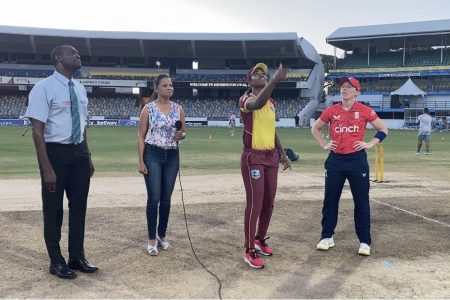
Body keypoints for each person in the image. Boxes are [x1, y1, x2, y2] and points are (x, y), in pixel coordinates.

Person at [25, 45, 98, 279]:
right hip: (55, 154)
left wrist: (87, 156)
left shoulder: (79, 88)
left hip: (79, 154)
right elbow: (37, 131)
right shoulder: (43, 88)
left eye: (78, 53)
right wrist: (47, 168)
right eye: (72, 53)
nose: (78, 56)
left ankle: (76, 257)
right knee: (53, 210)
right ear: (58, 58)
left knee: (79, 208)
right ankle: (56, 261)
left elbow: (83, 124)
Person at [311, 77, 388, 256]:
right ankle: (327, 236)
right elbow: (315, 128)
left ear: (357, 92)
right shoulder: (331, 111)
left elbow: (383, 129)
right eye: (342, 87)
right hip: (335, 161)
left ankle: (364, 241)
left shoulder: (365, 111)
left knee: (361, 202)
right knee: (330, 200)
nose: (344, 89)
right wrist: (324, 144)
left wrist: (370, 143)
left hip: (357, 161)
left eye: (349, 87)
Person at [240, 63, 291, 269]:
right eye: (256, 74)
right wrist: (275, 80)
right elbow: (257, 104)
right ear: (249, 80)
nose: (260, 76)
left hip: (270, 157)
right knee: (255, 203)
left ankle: (260, 240)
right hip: (253, 157)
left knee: (269, 202)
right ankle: (249, 249)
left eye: (264, 74)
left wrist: (283, 153)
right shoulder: (246, 99)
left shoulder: (271, 103)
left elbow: (272, 130)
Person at [137, 74, 186, 256]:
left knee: (166, 198)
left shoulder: (178, 109)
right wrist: (141, 161)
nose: (169, 88)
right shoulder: (148, 109)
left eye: (171, 85)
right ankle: (151, 239)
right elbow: (141, 138)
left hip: (172, 155)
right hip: (153, 154)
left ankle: (161, 236)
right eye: (165, 85)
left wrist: (182, 135)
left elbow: (183, 132)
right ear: (156, 88)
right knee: (154, 196)